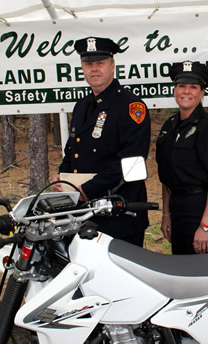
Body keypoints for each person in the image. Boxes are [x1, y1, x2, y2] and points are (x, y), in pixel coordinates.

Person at [50, 36, 151, 246]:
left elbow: (131, 161)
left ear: (112, 66)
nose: (94, 69)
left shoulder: (131, 106)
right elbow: (73, 151)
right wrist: (63, 179)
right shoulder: (81, 106)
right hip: (85, 215)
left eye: (100, 63)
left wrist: (86, 190)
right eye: (88, 64)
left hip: (119, 215)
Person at [156, 61, 208, 255]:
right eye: (182, 86)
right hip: (177, 209)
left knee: (204, 276)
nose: (186, 92)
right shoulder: (169, 127)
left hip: (201, 208)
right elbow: (167, 176)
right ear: (175, 89)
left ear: (202, 92)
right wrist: (166, 214)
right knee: (181, 271)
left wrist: (206, 225)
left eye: (193, 87)